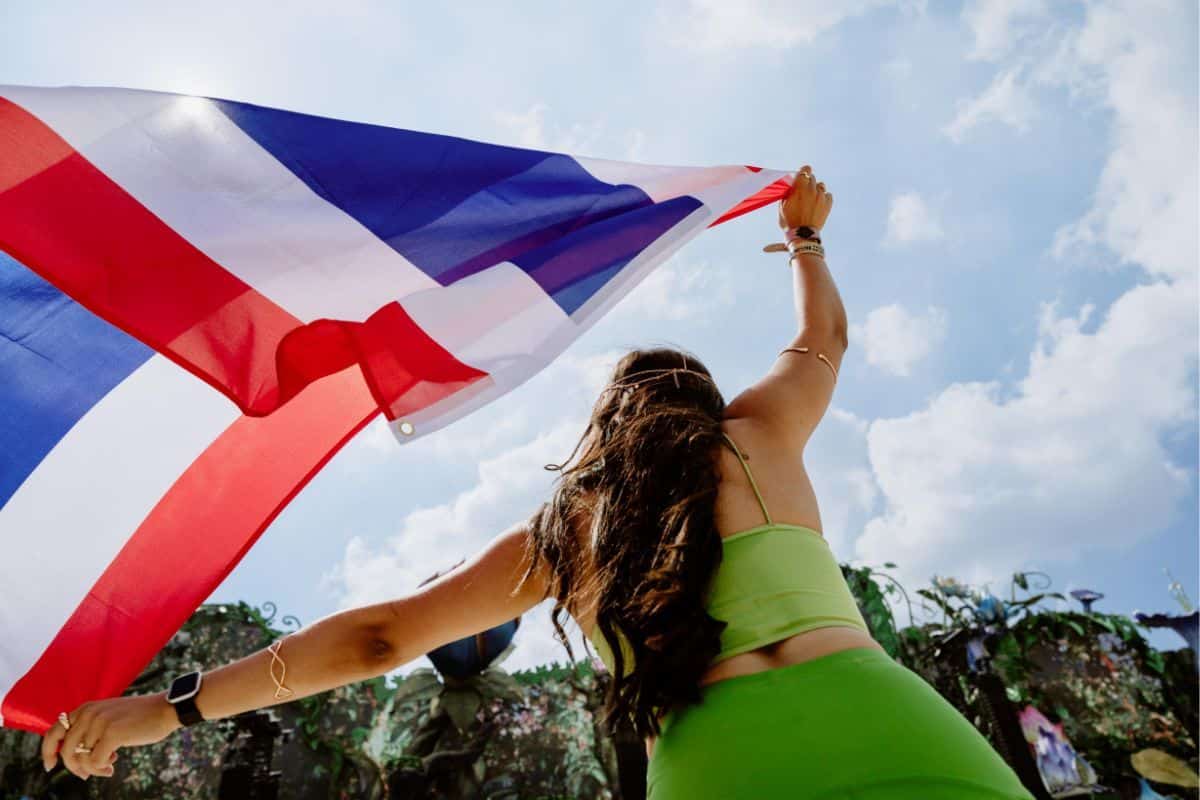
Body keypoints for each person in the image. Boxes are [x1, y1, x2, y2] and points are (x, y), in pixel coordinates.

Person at [42, 166, 1035, 799]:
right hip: (881, 716)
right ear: (709, 405)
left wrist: (172, 708)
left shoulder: (566, 532)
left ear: (606, 425)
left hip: (720, 768)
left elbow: (381, 635)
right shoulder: (757, 433)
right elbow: (823, 338)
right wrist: (805, 237)